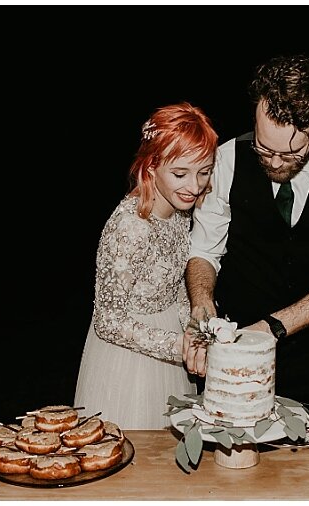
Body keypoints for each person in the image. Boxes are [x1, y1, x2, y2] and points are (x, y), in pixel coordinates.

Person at [181, 55, 309, 421]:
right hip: (231, 356)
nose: (273, 163)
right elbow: (204, 251)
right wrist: (201, 306)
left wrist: (270, 328)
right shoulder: (226, 159)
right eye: (264, 148)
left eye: (290, 153)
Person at [74, 102, 219, 430]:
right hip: (127, 359)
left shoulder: (179, 212)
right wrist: (177, 345)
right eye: (180, 173)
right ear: (152, 166)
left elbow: (176, 285)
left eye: (204, 171)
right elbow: (107, 322)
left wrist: (196, 328)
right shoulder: (130, 226)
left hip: (171, 342)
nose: (195, 186)